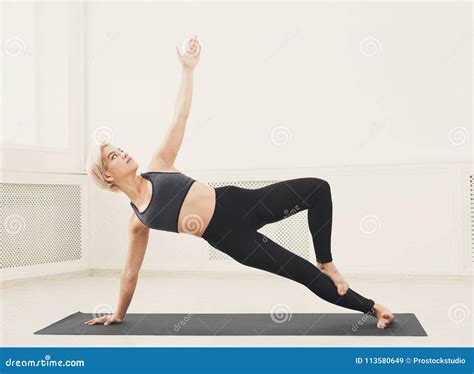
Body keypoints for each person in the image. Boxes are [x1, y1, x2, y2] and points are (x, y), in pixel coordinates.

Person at [85, 35, 395, 330]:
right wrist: (118, 314)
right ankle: (372, 307)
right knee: (302, 273)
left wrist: (187, 69)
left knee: (318, 188)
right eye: (113, 156)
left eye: (118, 148)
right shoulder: (138, 220)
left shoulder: (159, 165)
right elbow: (130, 272)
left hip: (243, 202)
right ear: (107, 175)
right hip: (232, 239)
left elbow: (180, 115)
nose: (122, 152)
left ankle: (326, 261)